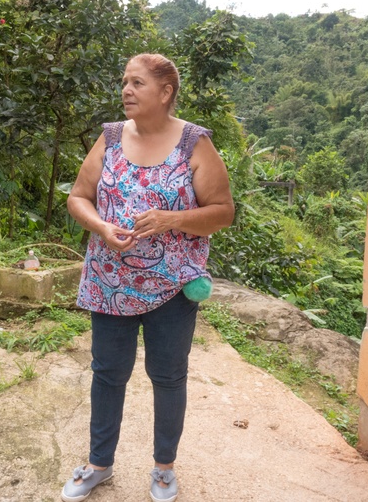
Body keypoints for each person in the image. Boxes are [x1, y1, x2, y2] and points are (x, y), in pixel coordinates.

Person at [61, 53, 235, 502]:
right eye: (124, 82)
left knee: (169, 376)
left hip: (172, 288)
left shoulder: (194, 144)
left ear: (165, 92)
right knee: (107, 374)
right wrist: (101, 227)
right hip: (109, 283)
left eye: (137, 83)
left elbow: (222, 212)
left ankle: (163, 468)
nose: (126, 90)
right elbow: (79, 196)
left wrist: (171, 220)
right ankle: (99, 464)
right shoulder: (110, 137)